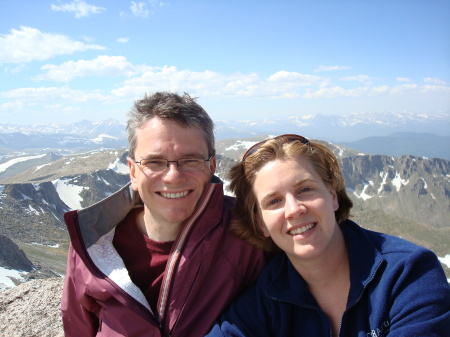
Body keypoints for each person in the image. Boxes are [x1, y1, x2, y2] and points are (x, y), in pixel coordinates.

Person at [60, 92, 265, 337]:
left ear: (211, 166)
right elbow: (78, 328)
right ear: (133, 171)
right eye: (155, 162)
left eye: (190, 160)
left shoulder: (250, 231)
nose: (173, 176)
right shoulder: (93, 244)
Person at [207, 134, 450, 337]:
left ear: (333, 196)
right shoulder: (266, 299)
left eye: (305, 189)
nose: (294, 209)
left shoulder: (408, 273)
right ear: (260, 224)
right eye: (274, 201)